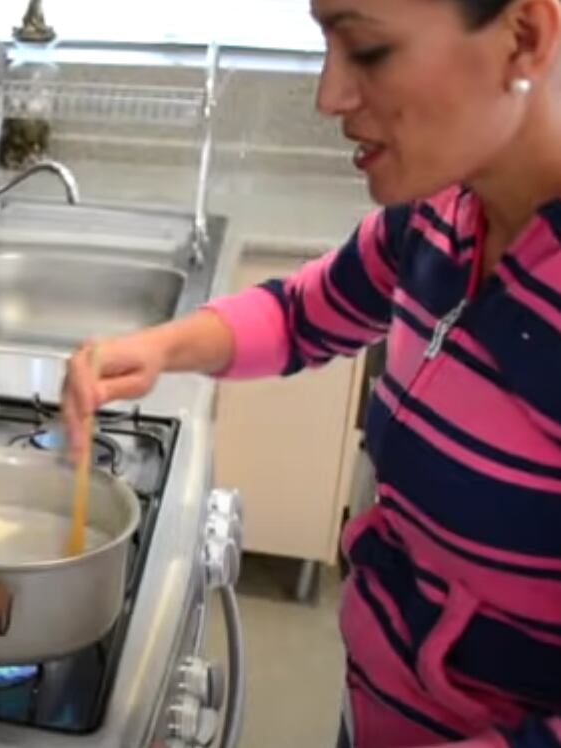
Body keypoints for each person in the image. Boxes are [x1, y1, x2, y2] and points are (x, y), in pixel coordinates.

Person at [60, 0, 561, 746]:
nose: (329, 95)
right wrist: (163, 347)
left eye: (366, 48)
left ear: (524, 36)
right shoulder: (442, 216)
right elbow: (303, 313)